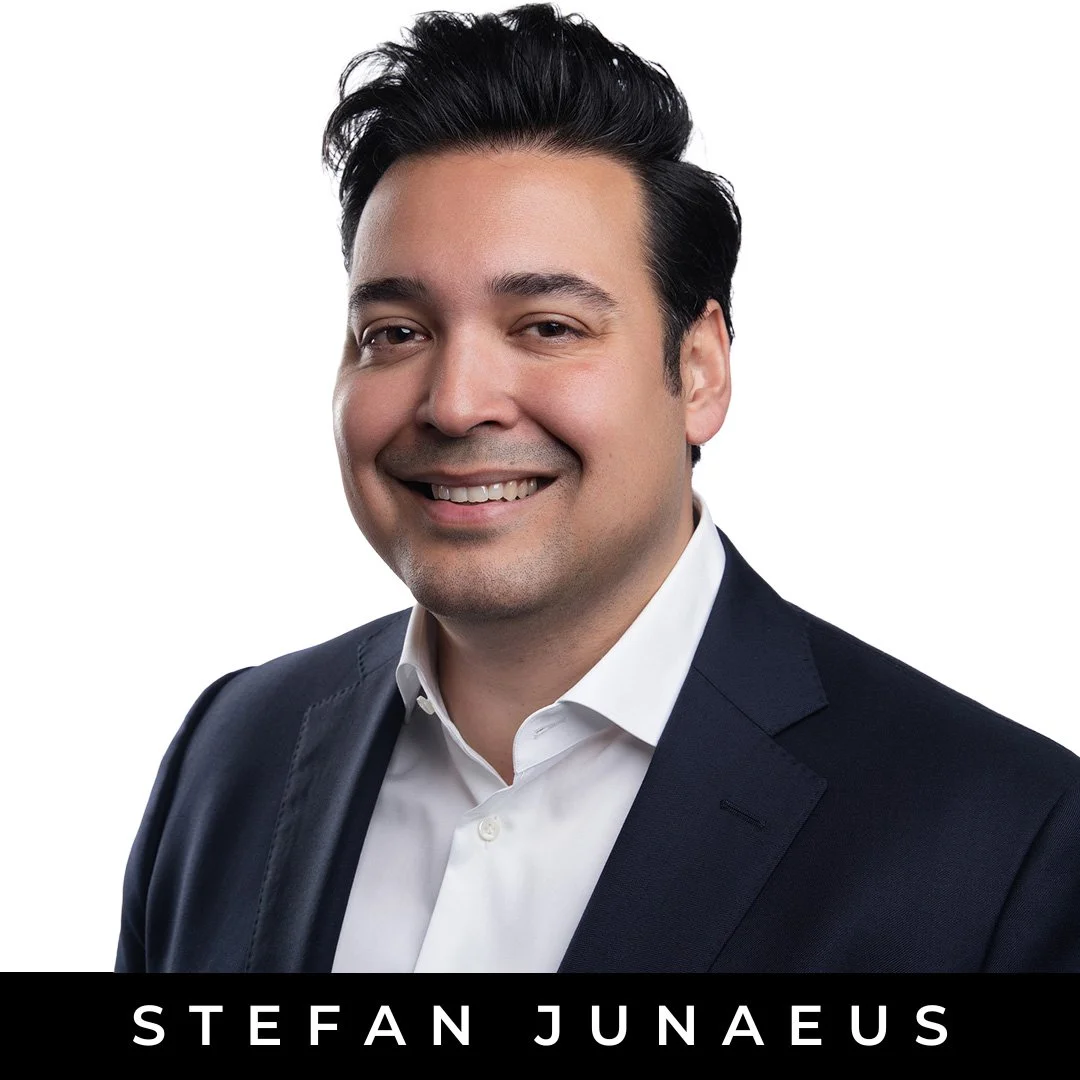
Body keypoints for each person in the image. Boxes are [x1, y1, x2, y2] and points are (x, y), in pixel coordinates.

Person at [115, 3, 1080, 973]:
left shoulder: (1001, 841)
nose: (454, 405)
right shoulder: (231, 754)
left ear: (699, 370)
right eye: (396, 333)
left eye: (546, 327)